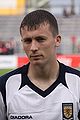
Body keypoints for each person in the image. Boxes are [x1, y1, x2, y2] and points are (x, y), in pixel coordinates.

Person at [0, 9, 80, 120]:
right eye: (27, 41)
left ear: (57, 40)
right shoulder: (4, 86)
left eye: (40, 39)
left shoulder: (77, 83)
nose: (33, 48)